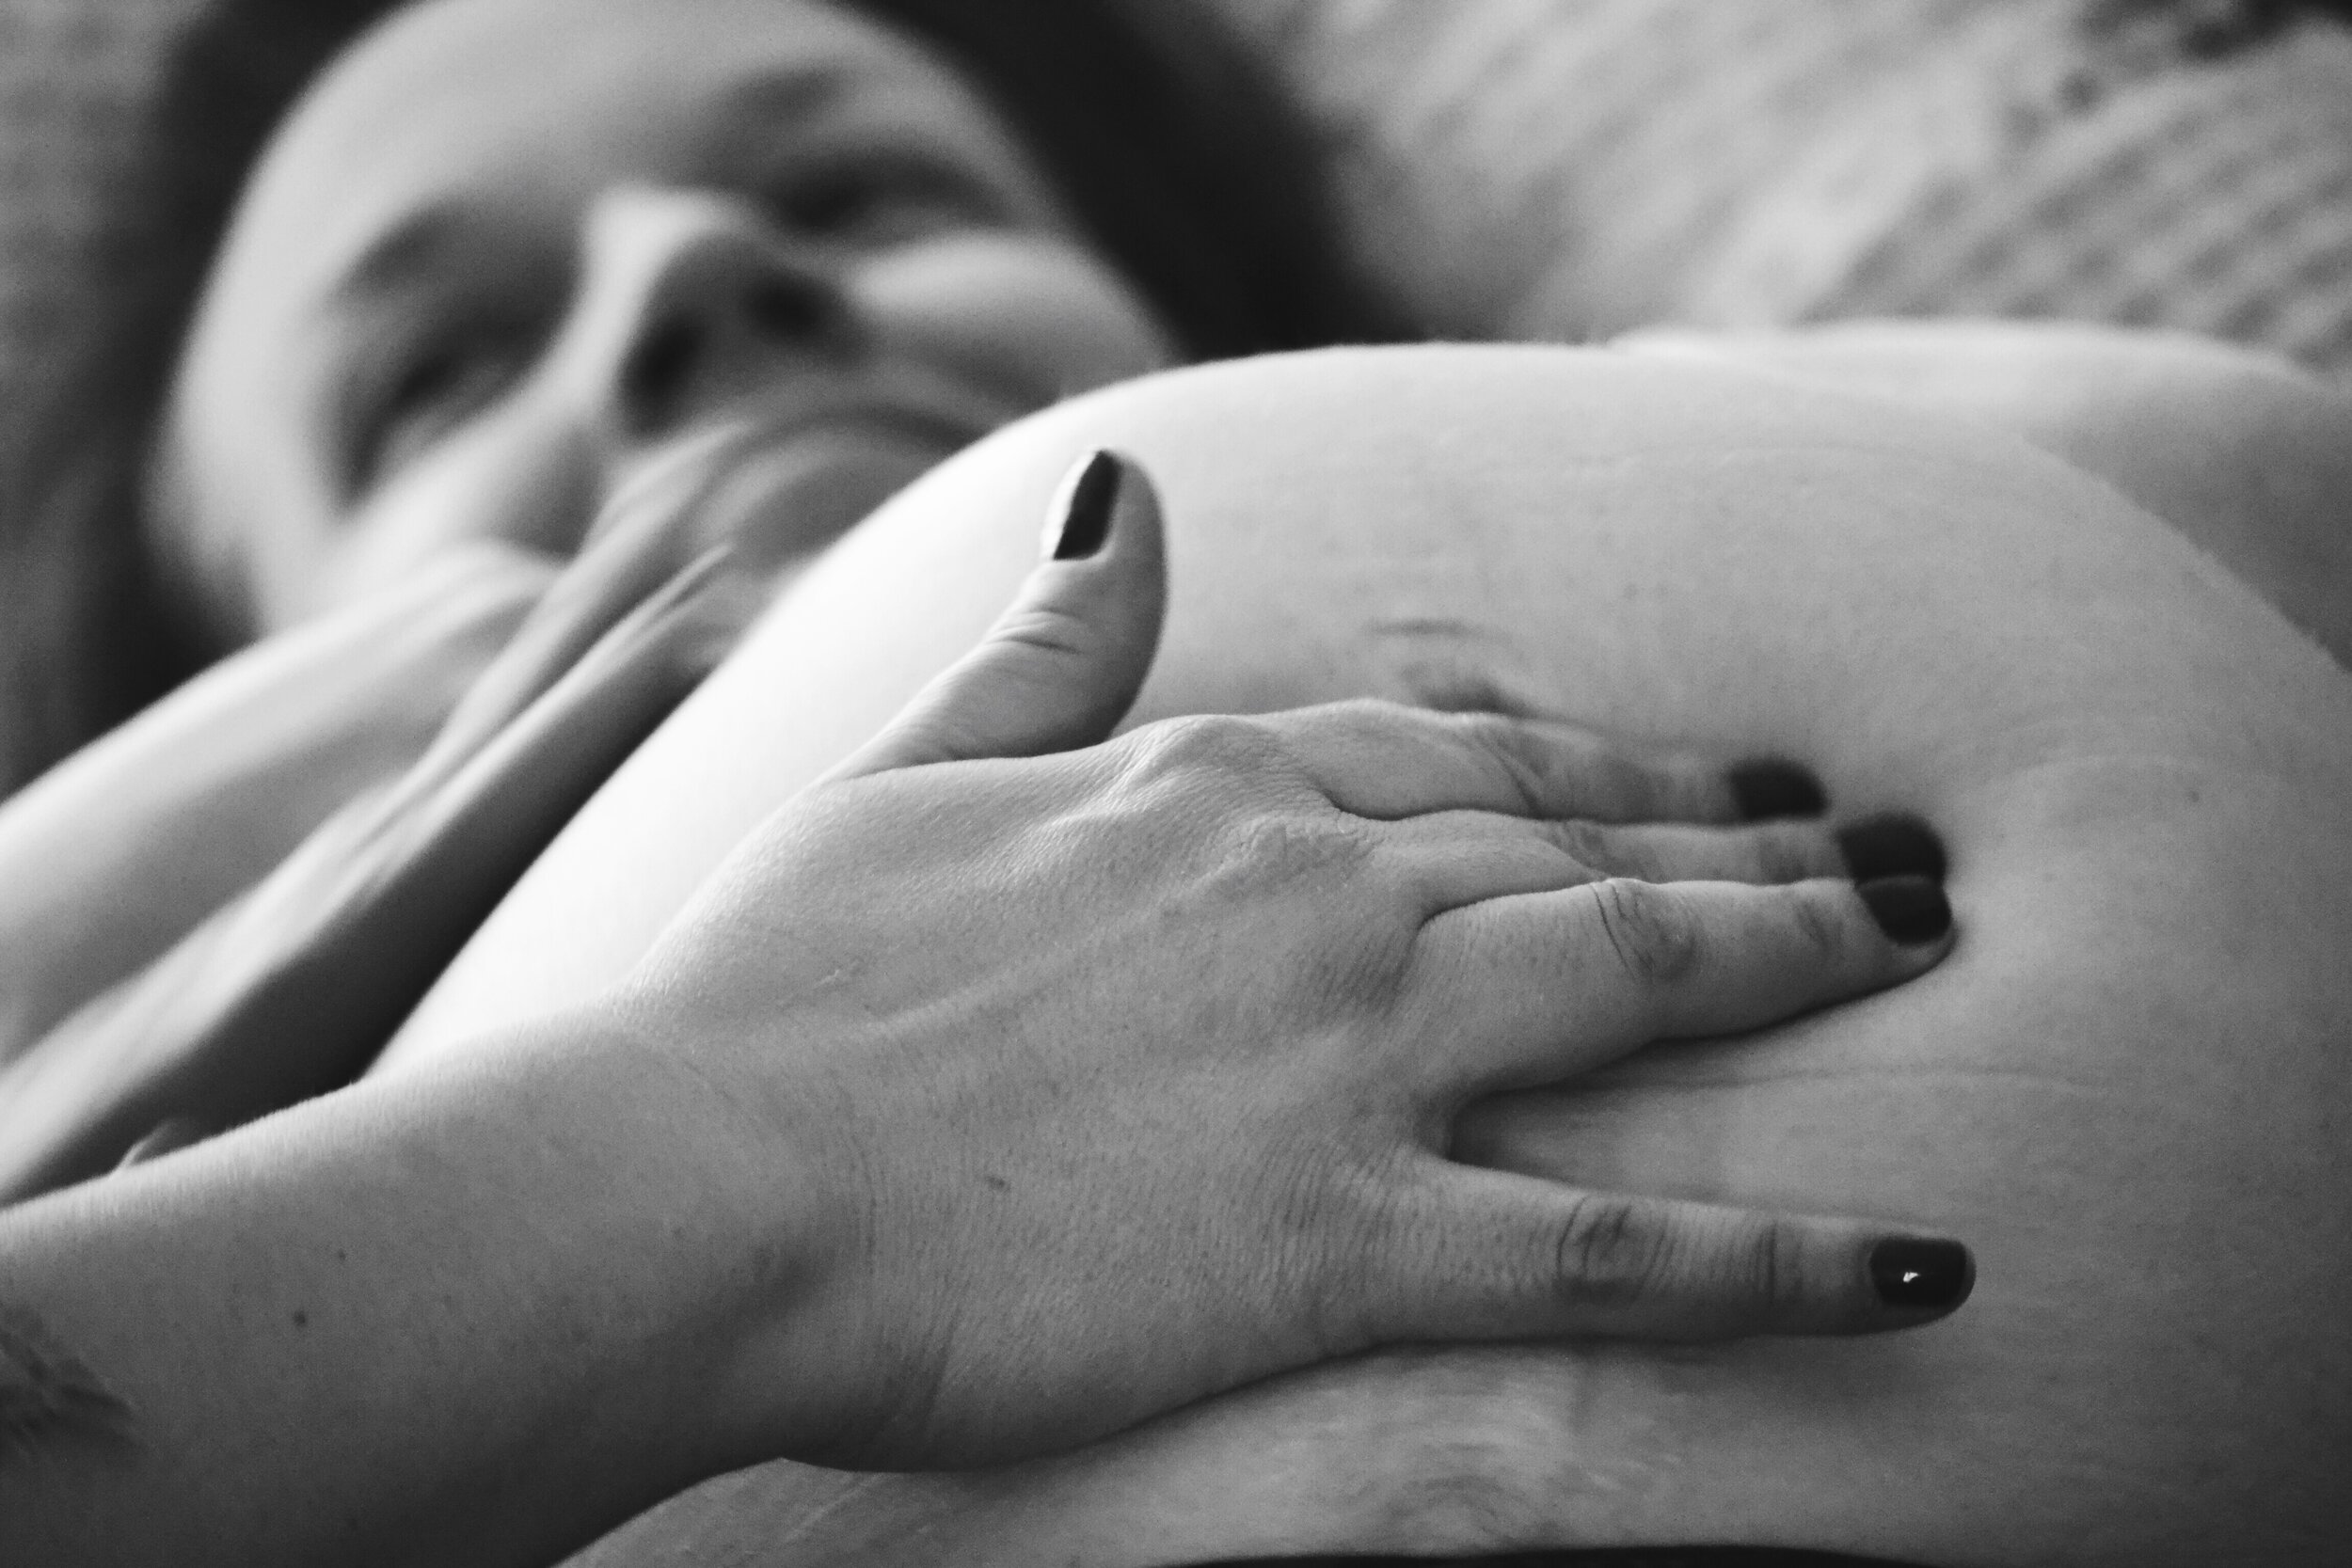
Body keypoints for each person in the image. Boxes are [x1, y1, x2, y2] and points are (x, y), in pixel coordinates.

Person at [2, 0, 2348, 1563]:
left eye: (873, 197)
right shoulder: (107, 992)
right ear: (237, 654)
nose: (697, 267)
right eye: (434, 371)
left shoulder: (1829, 394)